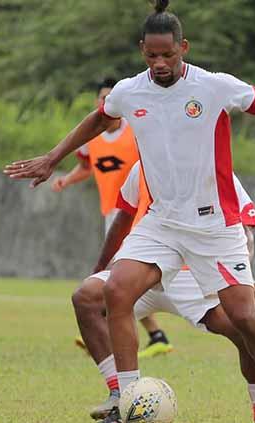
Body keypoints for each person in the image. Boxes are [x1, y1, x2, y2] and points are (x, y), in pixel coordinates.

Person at [4, 1, 255, 421]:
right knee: (115, 291)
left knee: (246, 320)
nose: (159, 63)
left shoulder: (213, 86)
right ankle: (127, 402)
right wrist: (54, 156)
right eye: (151, 55)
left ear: (184, 48)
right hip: (162, 223)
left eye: (168, 55)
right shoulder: (128, 91)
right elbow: (97, 120)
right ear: (142, 49)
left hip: (214, 226)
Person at [74, 162, 255, 422]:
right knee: (86, 298)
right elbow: (124, 217)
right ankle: (121, 397)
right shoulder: (143, 165)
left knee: (244, 330)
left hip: (192, 275)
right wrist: (101, 268)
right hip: (142, 270)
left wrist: (243, 276)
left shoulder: (208, 164)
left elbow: (245, 228)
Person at [53, 78, 174, 359]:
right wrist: (66, 181)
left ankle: (109, 322)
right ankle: (154, 334)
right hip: (114, 214)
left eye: (111, 97)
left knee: (122, 276)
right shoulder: (91, 141)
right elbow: (86, 167)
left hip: (142, 214)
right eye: (102, 98)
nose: (107, 102)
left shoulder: (136, 132)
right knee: (119, 276)